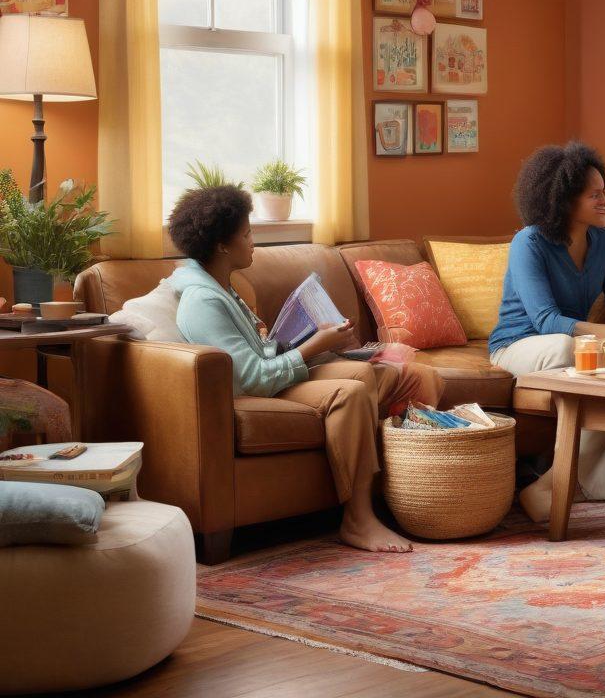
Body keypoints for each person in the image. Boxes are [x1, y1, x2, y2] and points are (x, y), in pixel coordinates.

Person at [166, 185, 445, 553]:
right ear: (221, 245)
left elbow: (258, 352)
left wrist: (307, 339)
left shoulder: (225, 286)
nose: (254, 241)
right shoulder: (202, 300)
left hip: (279, 375)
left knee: (415, 374)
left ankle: (417, 492)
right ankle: (358, 518)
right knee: (353, 389)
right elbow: (251, 378)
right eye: (247, 233)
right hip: (255, 393)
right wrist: (316, 346)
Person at [489, 142, 605, 522]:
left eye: (604, 192)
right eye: (593, 195)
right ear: (564, 199)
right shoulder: (528, 242)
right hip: (518, 345)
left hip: (575, 345)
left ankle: (557, 483)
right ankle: (572, 483)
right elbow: (546, 321)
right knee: (574, 347)